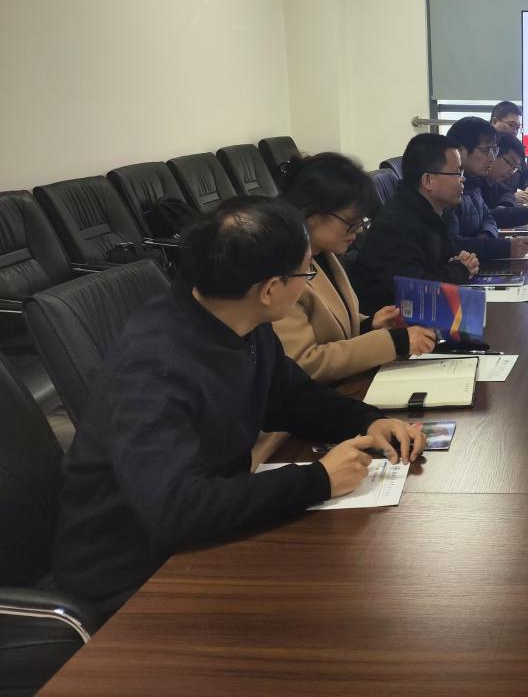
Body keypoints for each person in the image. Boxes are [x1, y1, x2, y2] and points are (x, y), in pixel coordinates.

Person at [52, 196, 424, 615]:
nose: (308, 282)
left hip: (206, 532)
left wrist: (369, 422)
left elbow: (291, 397)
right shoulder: (153, 366)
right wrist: (318, 480)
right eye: (306, 273)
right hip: (134, 575)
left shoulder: (237, 317)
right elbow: (177, 509)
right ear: (270, 289)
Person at [276, 152, 436, 382]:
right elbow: (304, 363)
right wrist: (395, 342)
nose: (359, 230)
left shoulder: (323, 254)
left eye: (361, 221)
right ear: (310, 214)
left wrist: (369, 325)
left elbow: (332, 330)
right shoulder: (281, 271)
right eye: (351, 223)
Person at [348, 133, 480, 313]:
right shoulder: (397, 224)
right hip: (391, 321)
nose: (462, 179)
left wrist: (459, 261)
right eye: (457, 173)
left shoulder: (434, 211)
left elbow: (440, 261)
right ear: (428, 181)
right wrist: (460, 269)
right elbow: (415, 290)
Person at [446, 116, 528, 262]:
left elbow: (488, 217)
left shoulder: (473, 181)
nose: (492, 158)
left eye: (494, 150)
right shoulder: (447, 188)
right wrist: (503, 247)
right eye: (486, 150)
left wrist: (486, 237)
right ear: (460, 151)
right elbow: (451, 244)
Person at [482, 133, 528, 229]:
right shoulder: (472, 180)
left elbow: (507, 193)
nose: (511, 171)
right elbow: (480, 217)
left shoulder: (493, 181)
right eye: (509, 162)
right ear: (493, 154)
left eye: (515, 168)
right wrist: (521, 214)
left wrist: (505, 207)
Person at [490, 100, 528, 199]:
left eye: (518, 128)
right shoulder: (482, 152)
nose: (514, 131)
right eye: (511, 125)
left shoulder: (512, 151)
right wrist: (510, 198)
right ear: (494, 122)